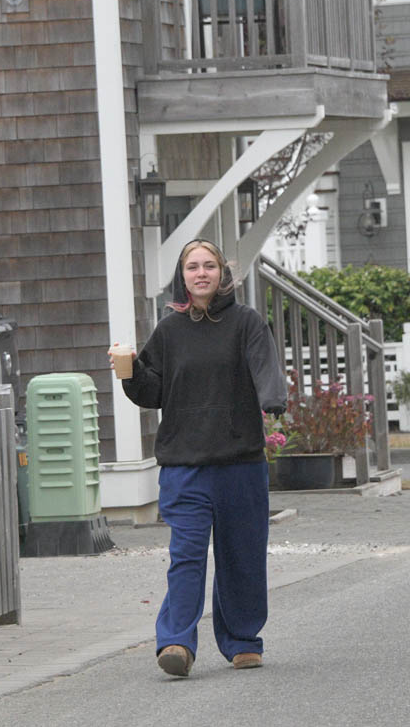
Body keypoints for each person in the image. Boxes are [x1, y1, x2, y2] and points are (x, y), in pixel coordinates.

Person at [108, 238, 287, 678]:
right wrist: (129, 370)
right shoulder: (169, 331)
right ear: (183, 276)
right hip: (185, 468)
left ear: (222, 274)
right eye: (193, 267)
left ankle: (244, 640)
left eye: (209, 266)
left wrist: (273, 400)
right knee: (187, 556)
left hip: (240, 464)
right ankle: (175, 643)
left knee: (241, 556)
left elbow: (264, 366)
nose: (201, 273)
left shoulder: (246, 323)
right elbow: (152, 391)